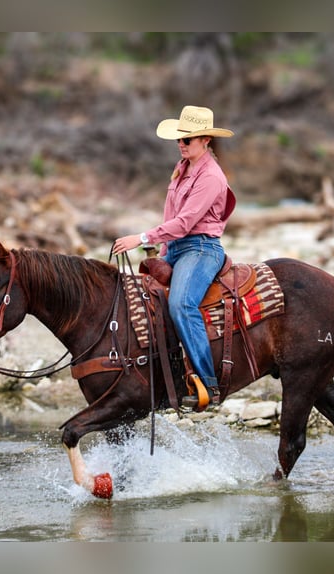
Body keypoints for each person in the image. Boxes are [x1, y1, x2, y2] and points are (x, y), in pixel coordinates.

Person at [113, 105, 236, 410]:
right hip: (178, 248)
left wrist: (140, 238)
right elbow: (173, 216)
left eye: (188, 140)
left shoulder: (210, 177)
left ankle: (209, 383)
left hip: (201, 248)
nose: (182, 145)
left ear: (205, 140)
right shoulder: (182, 168)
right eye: (179, 140)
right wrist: (163, 252)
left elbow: (185, 222)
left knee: (181, 303)